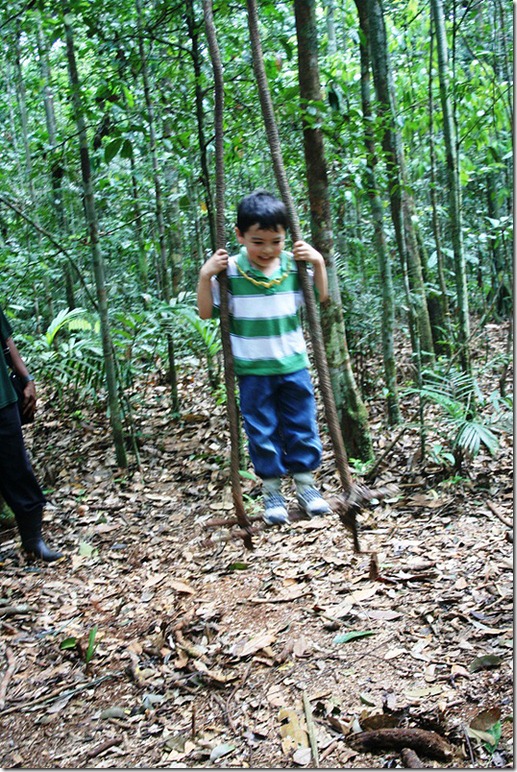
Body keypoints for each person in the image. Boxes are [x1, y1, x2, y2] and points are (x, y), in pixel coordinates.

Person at [197, 189, 332, 525]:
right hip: (252, 368)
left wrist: (317, 261)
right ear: (240, 236)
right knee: (262, 429)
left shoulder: (292, 266)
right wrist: (205, 275)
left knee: (301, 424)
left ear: (286, 238)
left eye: (276, 241)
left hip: (293, 364)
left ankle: (306, 485)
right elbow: (204, 312)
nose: (267, 250)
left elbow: (321, 297)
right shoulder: (229, 272)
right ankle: (272, 491)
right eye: (258, 241)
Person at [0, 306, 62, 561]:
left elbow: (6, 341)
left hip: (2, 399)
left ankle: (33, 540)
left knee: (17, 468)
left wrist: (27, 378)